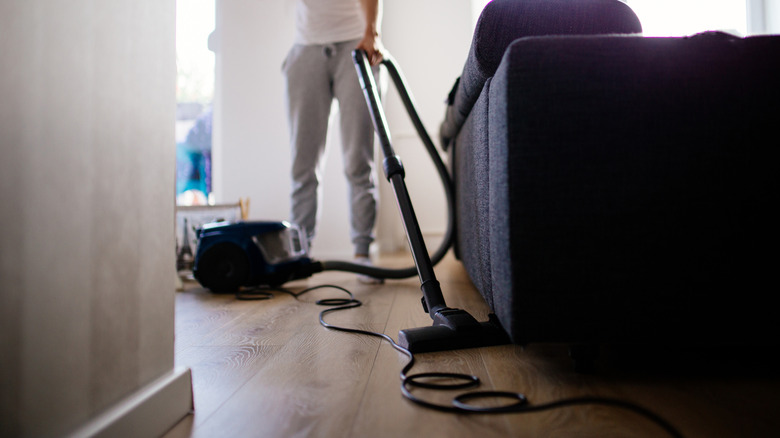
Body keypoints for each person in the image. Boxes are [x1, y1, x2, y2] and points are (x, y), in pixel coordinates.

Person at [283, 0, 385, 283]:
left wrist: (372, 31)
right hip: (306, 48)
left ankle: (362, 253)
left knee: (358, 159)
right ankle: (300, 255)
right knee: (303, 164)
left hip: (356, 41)